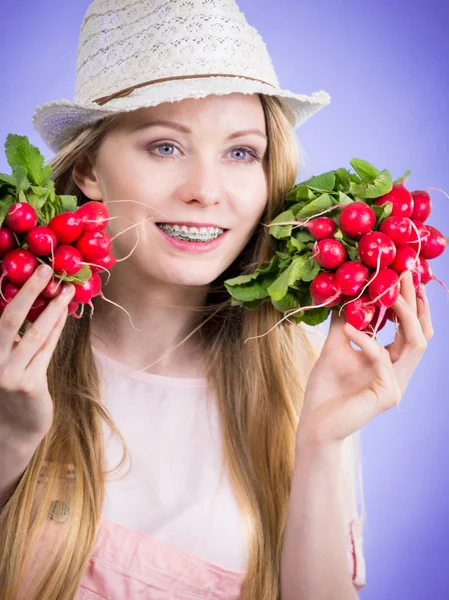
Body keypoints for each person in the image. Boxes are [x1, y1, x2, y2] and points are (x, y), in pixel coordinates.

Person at [0, 0, 433, 599]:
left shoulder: (304, 377)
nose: (206, 192)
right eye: (164, 147)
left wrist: (320, 444)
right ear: (90, 170)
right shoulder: (9, 365)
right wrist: (10, 440)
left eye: (240, 153)